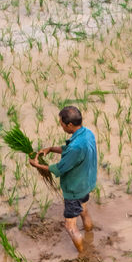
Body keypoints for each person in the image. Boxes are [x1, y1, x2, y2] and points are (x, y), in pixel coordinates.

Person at [29, 106, 98, 254]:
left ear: (70, 125)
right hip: (87, 183)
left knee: (70, 226)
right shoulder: (87, 133)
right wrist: (51, 149)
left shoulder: (75, 148)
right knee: (84, 211)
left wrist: (37, 164)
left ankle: (84, 254)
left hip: (75, 189)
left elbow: (60, 168)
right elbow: (73, 149)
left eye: (62, 124)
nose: (61, 126)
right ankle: (89, 235)